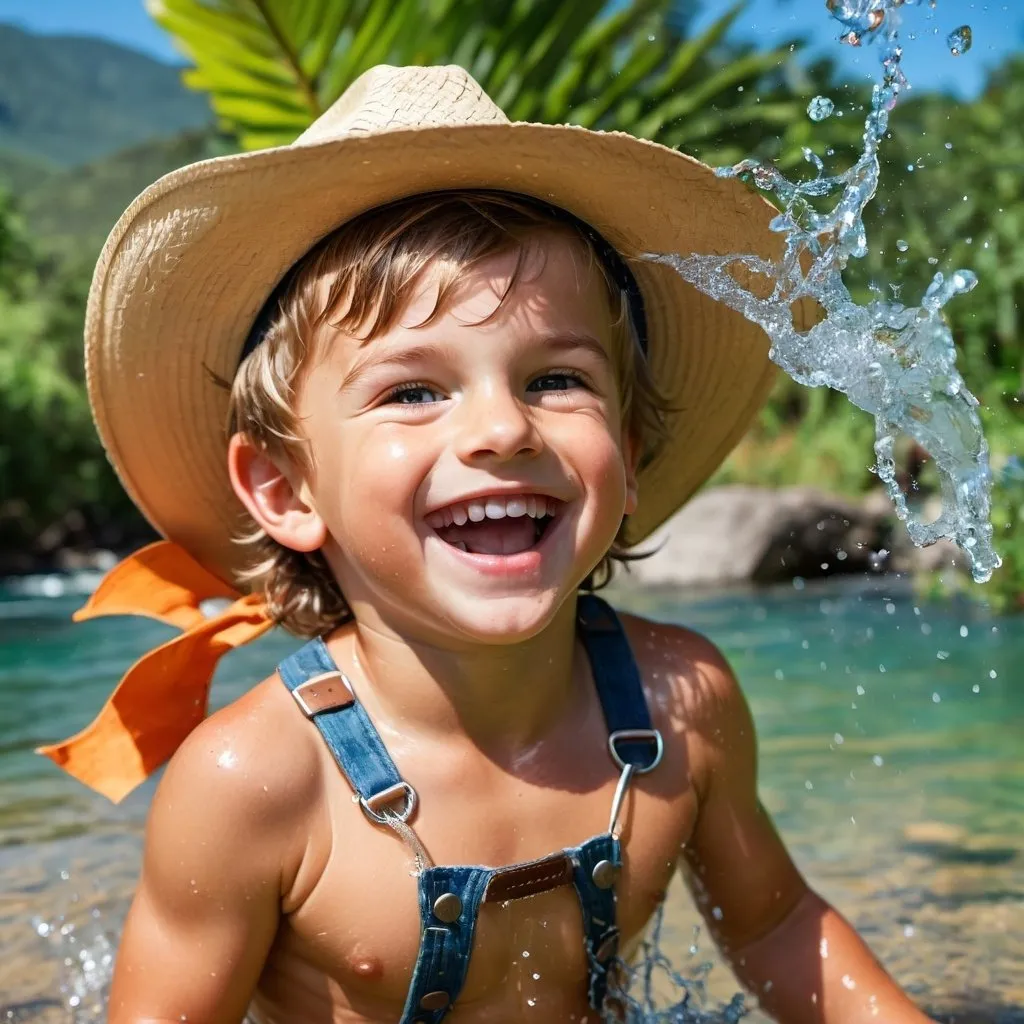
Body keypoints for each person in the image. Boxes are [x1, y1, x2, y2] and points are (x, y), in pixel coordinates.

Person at [39, 65, 933, 1024]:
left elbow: (775, 927)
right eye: (413, 391)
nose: (503, 429)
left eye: (556, 378)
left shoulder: (683, 706)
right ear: (285, 489)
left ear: (627, 460)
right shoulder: (257, 782)